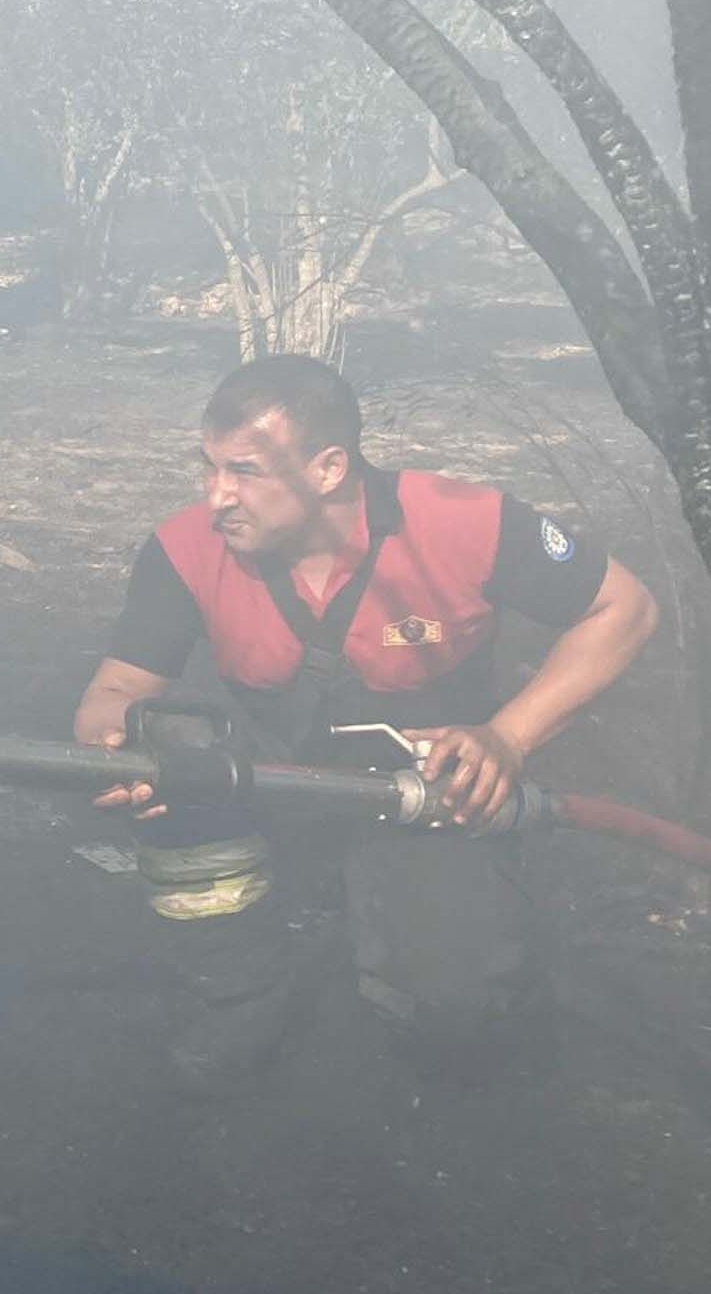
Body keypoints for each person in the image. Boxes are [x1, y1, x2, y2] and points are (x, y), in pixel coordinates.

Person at [72, 354, 659, 1083]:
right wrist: (113, 742)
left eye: (244, 471)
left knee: (457, 1014)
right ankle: (238, 988)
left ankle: (413, 946)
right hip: (273, 775)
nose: (216, 495)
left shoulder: (462, 523)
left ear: (327, 469)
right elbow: (118, 686)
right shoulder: (185, 548)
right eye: (209, 467)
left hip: (427, 791)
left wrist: (508, 738)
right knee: (168, 744)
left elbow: (624, 609)